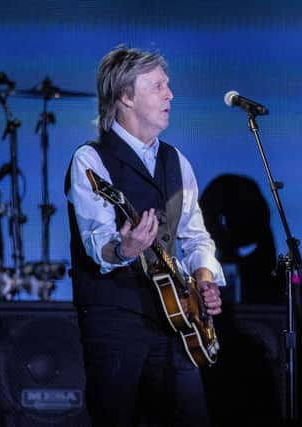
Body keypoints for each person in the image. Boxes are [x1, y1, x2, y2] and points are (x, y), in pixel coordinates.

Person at [65, 45, 225, 426]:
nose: (169, 94)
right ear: (125, 96)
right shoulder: (91, 160)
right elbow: (97, 243)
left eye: (167, 86)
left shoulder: (176, 160)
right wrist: (125, 248)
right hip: (115, 319)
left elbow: (196, 235)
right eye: (157, 86)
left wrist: (204, 279)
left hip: (177, 322)